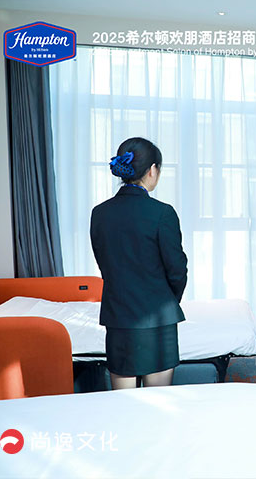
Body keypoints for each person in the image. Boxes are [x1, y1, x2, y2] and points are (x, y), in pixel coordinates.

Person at [90, 137, 188, 389]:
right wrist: (166, 300)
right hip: (157, 320)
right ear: (152, 170)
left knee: (123, 404)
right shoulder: (162, 213)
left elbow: (105, 264)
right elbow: (177, 270)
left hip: (118, 318)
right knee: (158, 402)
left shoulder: (99, 213)